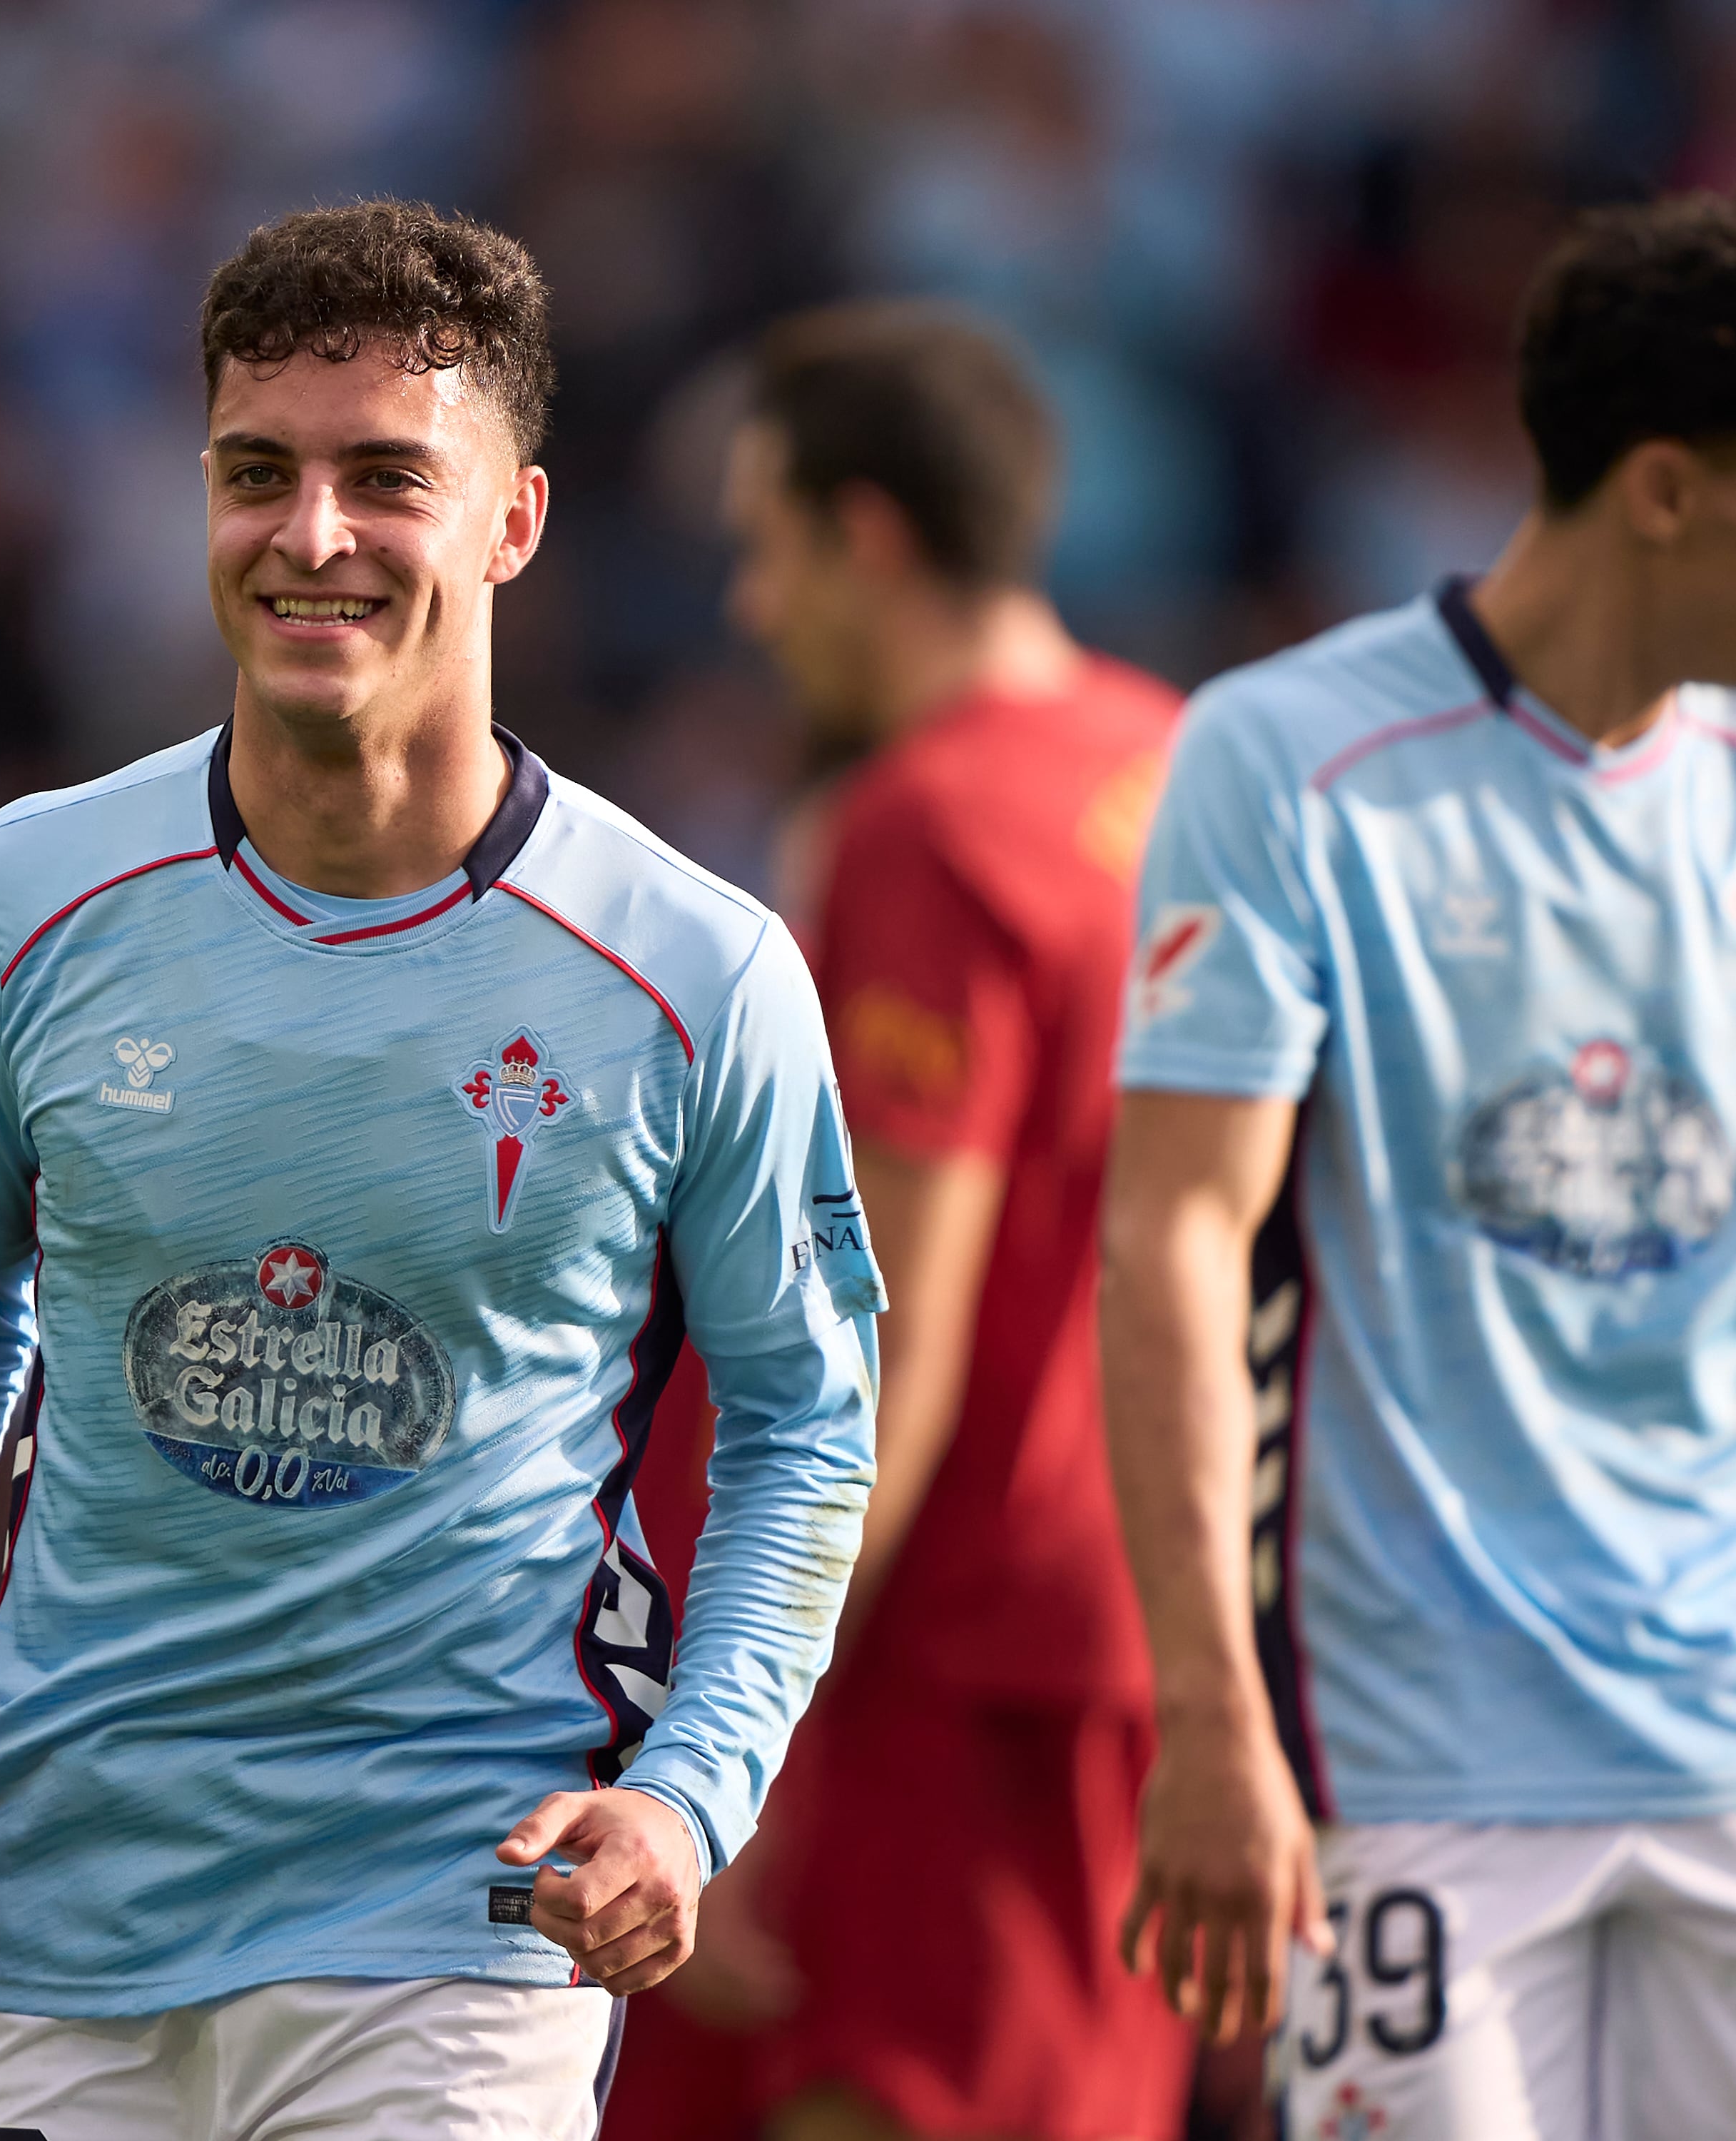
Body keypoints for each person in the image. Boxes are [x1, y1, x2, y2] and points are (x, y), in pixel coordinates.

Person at [0, 201, 885, 2141]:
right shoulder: (31, 893)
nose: (311, 535)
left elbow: (801, 1419)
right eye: (257, 474)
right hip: (60, 1923)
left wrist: (695, 1788)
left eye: (384, 479)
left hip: (457, 1932)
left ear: (512, 519)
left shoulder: (692, 968)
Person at [1103, 193, 1736, 2139]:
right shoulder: (1282, 758)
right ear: (1659, 490)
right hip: (1417, 1741)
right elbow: (1171, 1248)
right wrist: (1211, 1718)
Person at [617, 300, 1194, 2141]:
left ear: (866, 537)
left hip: (927, 1676)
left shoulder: (928, 828)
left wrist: (726, 1763)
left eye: (766, 547)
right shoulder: (1159, 755)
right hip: (1118, 1633)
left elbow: (883, 1342)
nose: (751, 607)